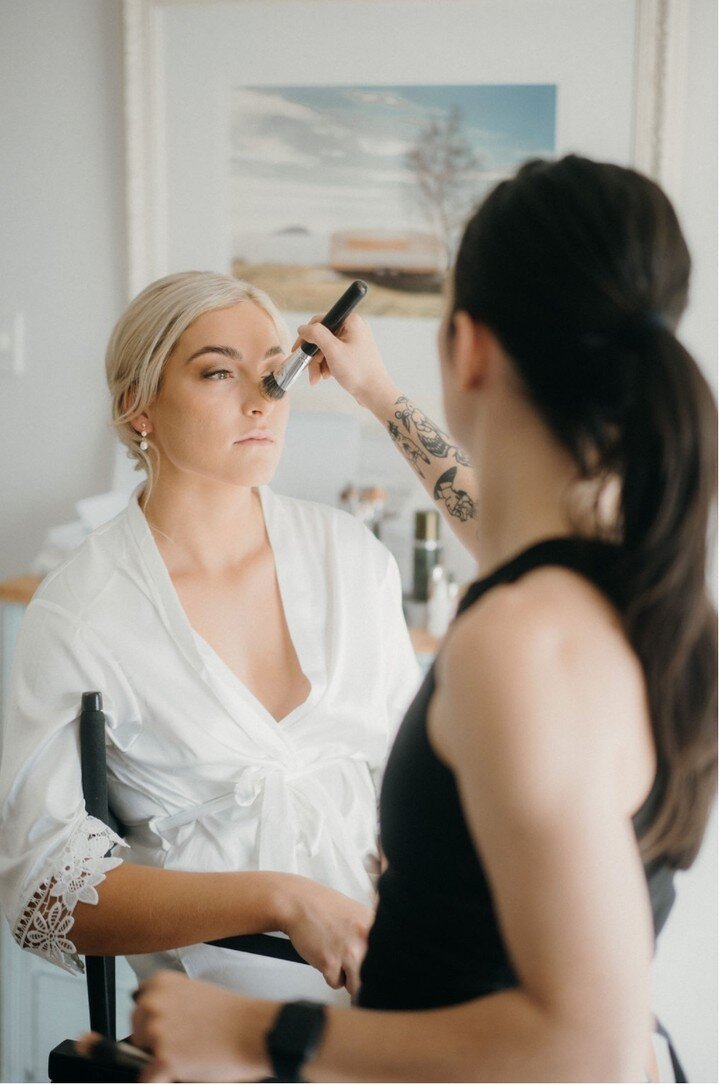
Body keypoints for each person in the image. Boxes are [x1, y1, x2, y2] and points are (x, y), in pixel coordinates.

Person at [118, 155, 716, 1082]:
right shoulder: (633, 575)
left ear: (468, 347)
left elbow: (588, 1050)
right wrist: (382, 396)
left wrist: (254, 1035)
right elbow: (504, 524)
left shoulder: (520, 646)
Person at [1, 270, 450, 1004]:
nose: (261, 400)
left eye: (275, 371)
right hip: (218, 1018)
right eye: (217, 371)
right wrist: (280, 898)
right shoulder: (81, 612)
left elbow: (414, 792)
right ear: (137, 406)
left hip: (393, 976)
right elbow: (41, 889)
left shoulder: (351, 560)